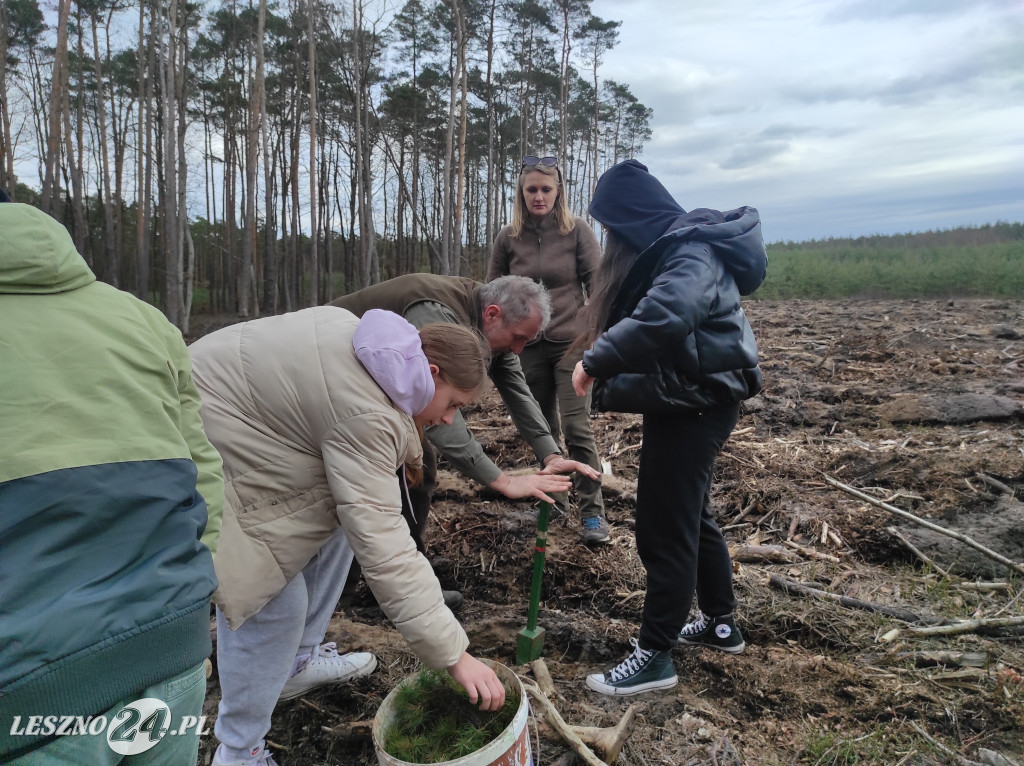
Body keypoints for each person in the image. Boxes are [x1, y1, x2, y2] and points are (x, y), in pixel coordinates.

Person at [190, 307, 507, 766]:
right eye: (454, 404)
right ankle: (239, 751)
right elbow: (386, 547)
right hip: (196, 444)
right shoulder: (368, 412)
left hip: (243, 428)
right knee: (273, 600)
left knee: (339, 523)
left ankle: (298, 662)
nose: (446, 420)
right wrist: (454, 655)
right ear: (431, 372)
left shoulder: (372, 343)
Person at [0, 196, 224, 764]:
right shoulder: (141, 318)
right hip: (170, 654)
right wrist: (189, 588)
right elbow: (203, 472)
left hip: (30, 690)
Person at [570, 160, 766, 696]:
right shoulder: (682, 248)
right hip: (692, 400)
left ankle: (655, 655)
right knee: (693, 515)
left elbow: (668, 314)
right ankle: (721, 624)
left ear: (629, 219)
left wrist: (597, 359)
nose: (609, 240)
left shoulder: (690, 252)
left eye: (610, 227)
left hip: (695, 407)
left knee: (663, 525)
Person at [331, 274, 600, 569]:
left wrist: (550, 454)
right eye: (519, 338)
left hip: (363, 391)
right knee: (413, 464)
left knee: (416, 464)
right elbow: (430, 406)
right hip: (332, 380)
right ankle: (390, 573)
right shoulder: (437, 313)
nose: (519, 350)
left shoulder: (489, 329)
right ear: (493, 314)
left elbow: (518, 392)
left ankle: (399, 568)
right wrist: (502, 481)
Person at [486, 155, 610, 544]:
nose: (539, 196)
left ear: (559, 192)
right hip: (527, 349)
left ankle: (593, 513)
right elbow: (491, 293)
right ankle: (558, 504)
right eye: (531, 190)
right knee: (544, 429)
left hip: (571, 344)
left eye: (546, 189)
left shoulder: (577, 232)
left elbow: (601, 286)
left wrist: (594, 330)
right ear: (521, 194)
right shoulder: (508, 237)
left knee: (576, 427)